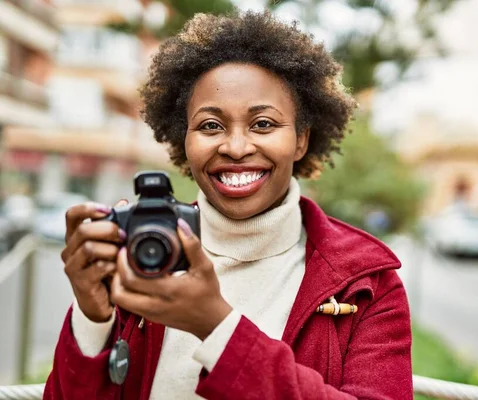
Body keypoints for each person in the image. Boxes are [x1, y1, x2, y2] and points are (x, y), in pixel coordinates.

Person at [44, 10, 412, 400]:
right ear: (182, 139)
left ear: (301, 140)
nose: (236, 148)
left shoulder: (367, 284)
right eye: (210, 126)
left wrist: (217, 328)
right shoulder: (140, 253)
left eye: (264, 124)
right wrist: (92, 318)